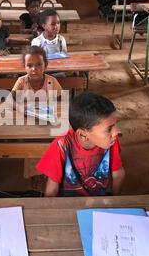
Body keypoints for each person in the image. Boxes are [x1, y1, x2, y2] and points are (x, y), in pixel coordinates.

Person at [37, 92, 125, 197]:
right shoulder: (61, 146)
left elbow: (118, 174)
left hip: (96, 201)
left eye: (115, 125)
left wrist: (115, 199)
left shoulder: (110, 142)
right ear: (83, 135)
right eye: (109, 129)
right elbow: (52, 186)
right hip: (67, 202)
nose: (116, 132)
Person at [9, 45, 63, 191]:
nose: (34, 69)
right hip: (28, 125)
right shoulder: (21, 82)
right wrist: (20, 108)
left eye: (39, 65)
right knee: (32, 144)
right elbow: (9, 100)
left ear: (46, 65)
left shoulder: (52, 82)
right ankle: (35, 176)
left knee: (54, 144)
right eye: (30, 65)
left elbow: (61, 103)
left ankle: (49, 174)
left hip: (48, 123)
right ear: (24, 67)